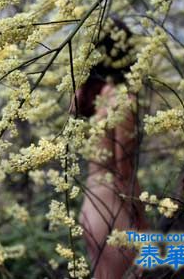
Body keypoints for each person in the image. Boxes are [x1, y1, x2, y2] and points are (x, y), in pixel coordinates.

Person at [71, 19, 147, 278]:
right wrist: (143, 221)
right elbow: (124, 170)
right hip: (113, 211)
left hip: (90, 207)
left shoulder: (93, 96)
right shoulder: (122, 98)